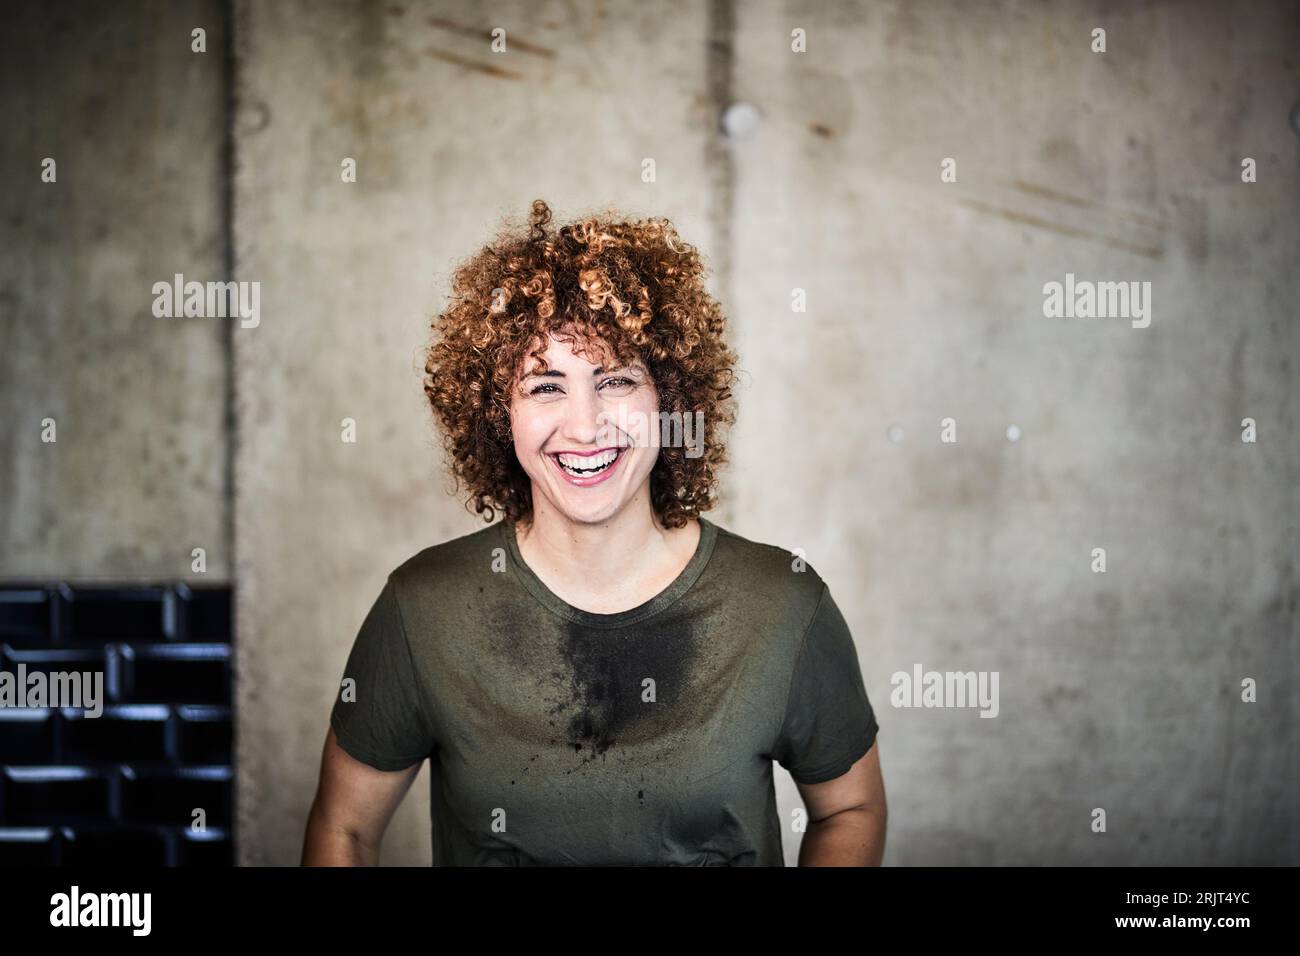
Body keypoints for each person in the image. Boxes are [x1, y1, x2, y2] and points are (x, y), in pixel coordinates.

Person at [301, 199, 886, 866]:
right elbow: (343, 828)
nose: (585, 426)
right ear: (499, 417)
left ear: (669, 400)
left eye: (615, 380)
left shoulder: (783, 604)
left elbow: (850, 808)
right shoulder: (422, 608)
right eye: (545, 387)